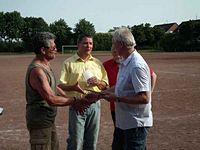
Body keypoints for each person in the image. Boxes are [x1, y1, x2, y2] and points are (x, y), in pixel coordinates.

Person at [25, 32, 88, 150]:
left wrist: (70, 97)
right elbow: (51, 99)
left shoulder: (46, 66)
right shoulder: (38, 71)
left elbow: (54, 89)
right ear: (43, 50)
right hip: (40, 123)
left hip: (48, 121)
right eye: (53, 47)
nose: (56, 49)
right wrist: (75, 100)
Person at [101, 27, 153, 150]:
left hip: (135, 124)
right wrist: (101, 93)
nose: (113, 47)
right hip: (124, 122)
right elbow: (120, 87)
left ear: (120, 44)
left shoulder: (136, 65)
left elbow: (144, 97)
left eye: (114, 43)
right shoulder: (125, 62)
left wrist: (117, 98)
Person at [58, 33, 108, 150]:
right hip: (77, 105)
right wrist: (73, 88)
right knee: (75, 141)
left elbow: (105, 85)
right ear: (78, 44)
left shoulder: (97, 63)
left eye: (91, 43)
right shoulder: (68, 63)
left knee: (92, 142)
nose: (88, 46)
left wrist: (98, 83)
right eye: (85, 43)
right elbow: (60, 86)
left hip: (95, 105)